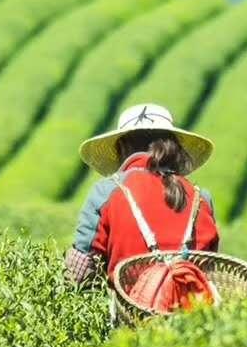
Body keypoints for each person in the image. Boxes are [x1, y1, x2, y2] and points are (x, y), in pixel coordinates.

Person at [65, 102, 220, 288]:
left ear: (121, 147)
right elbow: (211, 269)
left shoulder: (106, 192)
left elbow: (79, 274)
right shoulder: (201, 198)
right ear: (174, 146)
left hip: (131, 312)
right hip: (191, 310)